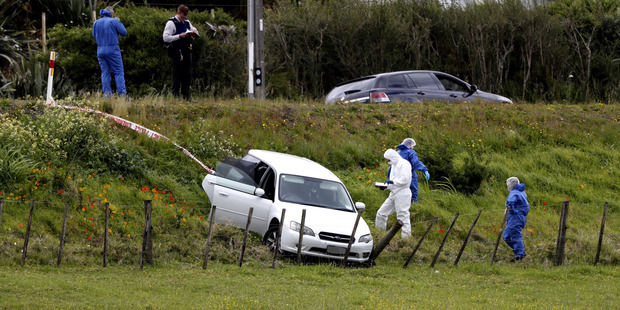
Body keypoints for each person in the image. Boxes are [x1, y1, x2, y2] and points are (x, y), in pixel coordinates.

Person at [163, 5, 199, 101]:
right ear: (178, 13)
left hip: (187, 51)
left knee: (187, 74)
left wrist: (195, 31)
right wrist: (179, 36)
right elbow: (165, 38)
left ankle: (186, 96)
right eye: (182, 17)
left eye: (185, 17)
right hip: (176, 51)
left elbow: (194, 30)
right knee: (177, 73)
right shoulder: (171, 23)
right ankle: (175, 96)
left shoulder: (187, 22)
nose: (184, 19)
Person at [375, 149, 413, 238]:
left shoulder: (404, 164)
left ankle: (406, 239)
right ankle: (380, 235)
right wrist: (385, 187)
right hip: (394, 193)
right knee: (381, 213)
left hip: (403, 193)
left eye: (388, 159)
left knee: (403, 216)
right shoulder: (393, 165)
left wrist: (393, 182)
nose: (388, 161)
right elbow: (393, 182)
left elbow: (405, 180)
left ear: (393, 157)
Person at [92, 6, 127, 98]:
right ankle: (122, 95)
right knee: (118, 72)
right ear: (111, 13)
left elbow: (94, 35)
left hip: (100, 49)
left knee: (105, 73)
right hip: (112, 49)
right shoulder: (114, 21)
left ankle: (107, 96)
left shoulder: (96, 22)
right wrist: (118, 22)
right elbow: (124, 32)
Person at [503, 177, 530, 261]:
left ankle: (519, 255)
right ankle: (518, 251)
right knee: (506, 236)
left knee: (515, 235)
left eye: (508, 185)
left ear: (510, 186)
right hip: (519, 217)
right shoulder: (522, 192)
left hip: (515, 217)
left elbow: (510, 202)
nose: (508, 187)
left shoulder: (514, 193)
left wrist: (511, 208)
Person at [395, 138, 429, 202]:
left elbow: (392, 165)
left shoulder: (397, 153)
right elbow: (416, 162)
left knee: (399, 188)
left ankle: (400, 202)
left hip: (398, 174)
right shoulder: (411, 152)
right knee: (413, 188)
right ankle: (413, 202)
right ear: (410, 145)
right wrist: (425, 170)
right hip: (409, 173)